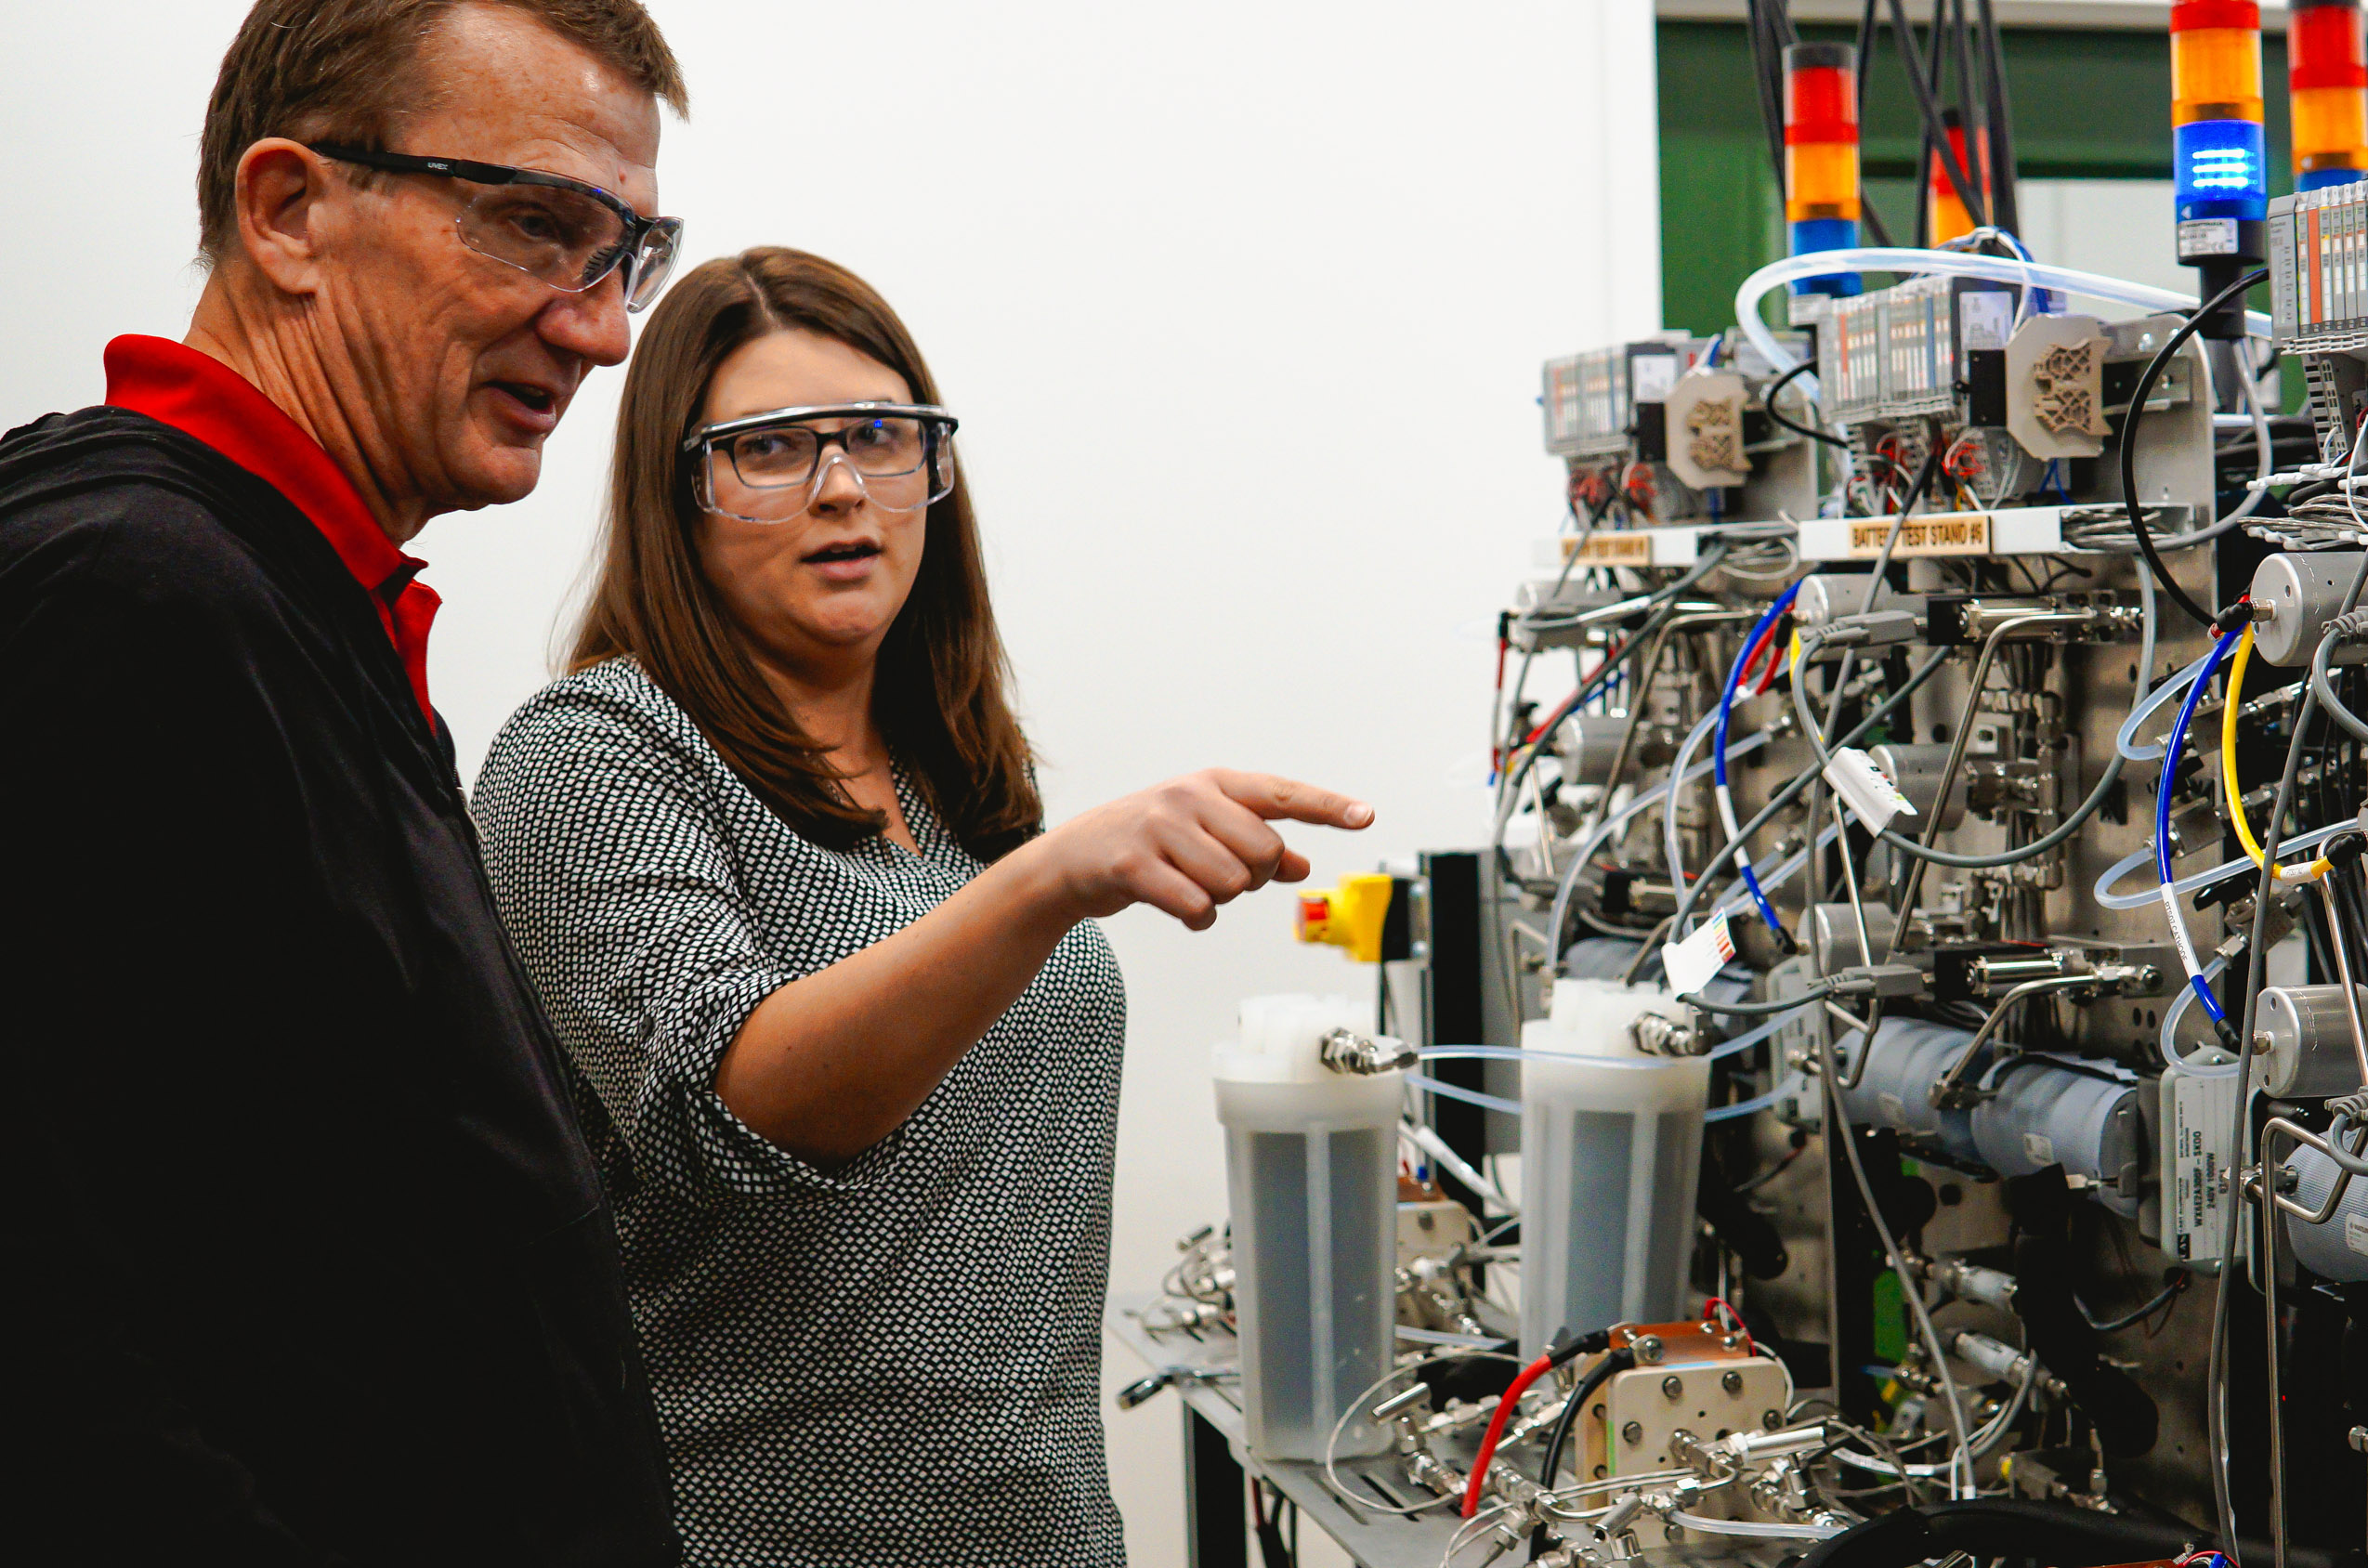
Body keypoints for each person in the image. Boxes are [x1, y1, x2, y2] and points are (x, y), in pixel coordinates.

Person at [468, 245, 1373, 1565]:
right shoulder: (594, 753)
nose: (842, 488)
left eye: (882, 439)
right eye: (771, 449)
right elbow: (731, 1110)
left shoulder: (954, 789)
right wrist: (1051, 883)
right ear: (682, 491)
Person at [0, 2, 688, 1561]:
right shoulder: (131, 598)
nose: (601, 327)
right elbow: (51, 1349)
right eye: (539, 229)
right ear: (289, 211)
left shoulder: (283, 594)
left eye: (626, 254)